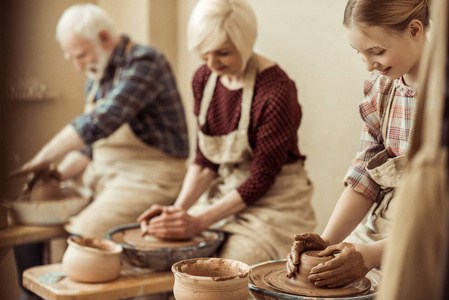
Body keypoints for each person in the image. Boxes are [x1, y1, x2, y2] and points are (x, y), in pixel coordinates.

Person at [13, 4, 189, 298]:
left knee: (83, 237)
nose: (78, 65)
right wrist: (52, 175)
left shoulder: (145, 62)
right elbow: (89, 150)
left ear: (105, 37)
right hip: (105, 178)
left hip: (150, 177)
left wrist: (43, 157)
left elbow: (99, 122)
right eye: (72, 58)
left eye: (80, 55)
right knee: (29, 226)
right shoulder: (98, 73)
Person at [138, 0, 317, 266]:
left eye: (222, 53)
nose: (212, 64)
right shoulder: (204, 78)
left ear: (245, 43)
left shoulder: (276, 92)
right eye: (204, 53)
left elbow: (260, 179)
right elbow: (204, 160)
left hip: (275, 204)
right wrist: (177, 212)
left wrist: (198, 221)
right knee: (169, 257)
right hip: (224, 193)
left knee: (231, 268)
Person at [286, 0, 430, 288]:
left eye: (376, 51)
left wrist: (375, 255)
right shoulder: (382, 89)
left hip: (433, 232)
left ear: (414, 30)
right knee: (321, 279)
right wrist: (326, 240)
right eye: (360, 54)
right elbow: (366, 176)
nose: (368, 66)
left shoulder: (441, 92)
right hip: (386, 220)